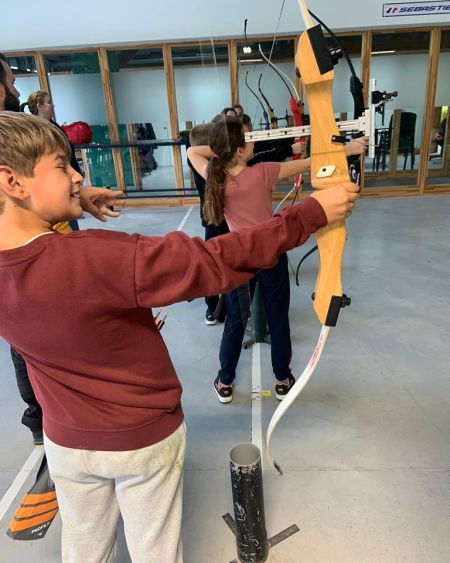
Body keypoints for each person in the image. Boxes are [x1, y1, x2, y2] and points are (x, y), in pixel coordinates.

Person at [0, 111, 358, 562]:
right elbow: (214, 261)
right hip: (141, 438)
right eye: (62, 166)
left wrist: (65, 199)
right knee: (156, 549)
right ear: (12, 181)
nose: (77, 175)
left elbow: (32, 261)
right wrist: (311, 213)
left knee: (85, 546)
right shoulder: (99, 257)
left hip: (67, 442)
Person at [187, 116, 366, 404]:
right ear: (240, 150)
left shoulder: (214, 174)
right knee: (277, 318)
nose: (253, 140)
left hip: (238, 258)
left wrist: (222, 149)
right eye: (247, 139)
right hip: (270, 255)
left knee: (235, 320)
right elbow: (310, 162)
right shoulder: (263, 172)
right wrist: (348, 150)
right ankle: (282, 380)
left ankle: (225, 382)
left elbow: (191, 151)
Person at [0, 53, 122, 446]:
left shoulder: (18, 130)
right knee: (34, 350)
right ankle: (46, 429)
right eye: (11, 81)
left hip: (48, 242)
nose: (16, 89)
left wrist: (73, 192)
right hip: (20, 267)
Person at [20, 89, 82, 230]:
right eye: (49, 102)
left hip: (66, 179)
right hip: (56, 185)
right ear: (39, 106)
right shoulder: (36, 131)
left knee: (71, 224)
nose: (52, 105)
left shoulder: (53, 126)